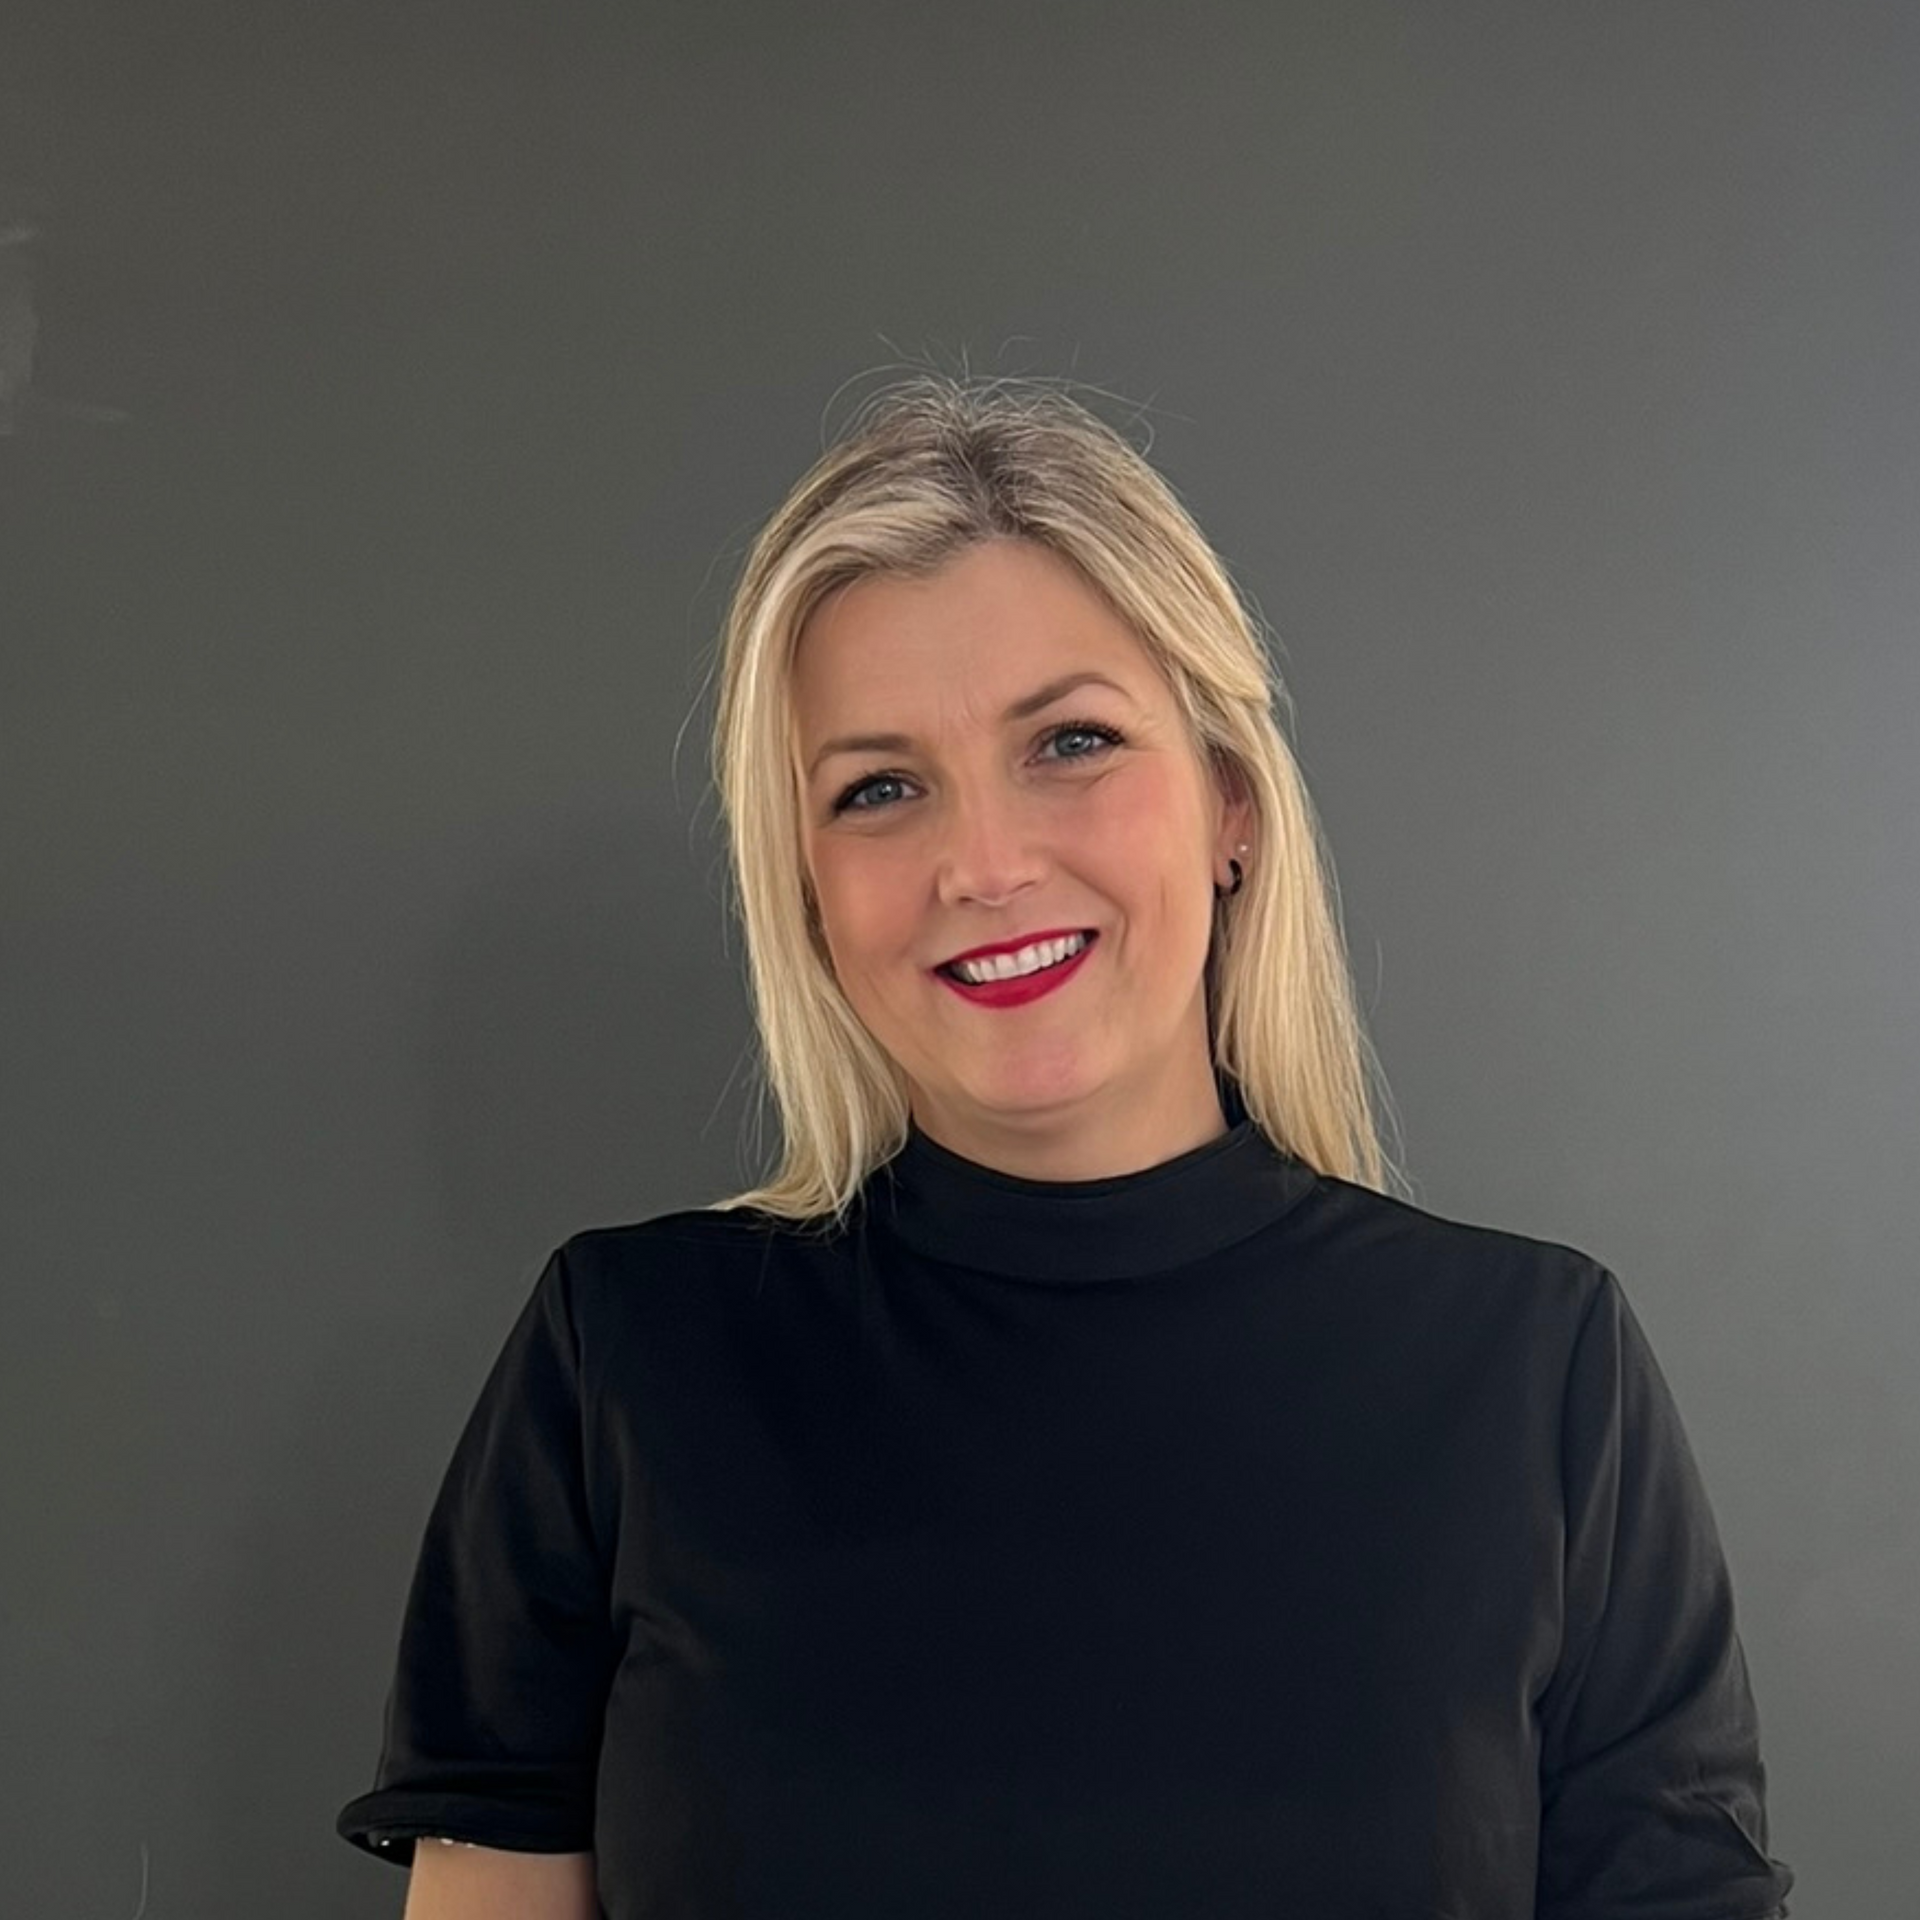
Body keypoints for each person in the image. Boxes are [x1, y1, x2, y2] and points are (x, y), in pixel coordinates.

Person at [336, 375, 1794, 1919]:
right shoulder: (621, 1360)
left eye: (1072, 743)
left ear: (1229, 804)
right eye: (880, 788)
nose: (983, 864)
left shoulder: (1535, 1370)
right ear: (811, 891)